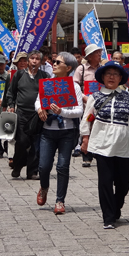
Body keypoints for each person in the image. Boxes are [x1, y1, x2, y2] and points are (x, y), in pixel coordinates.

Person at [80, 61, 129, 229]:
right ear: (102, 77)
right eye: (108, 73)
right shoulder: (94, 97)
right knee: (105, 182)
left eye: (115, 74)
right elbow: (86, 119)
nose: (111, 77)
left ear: (121, 78)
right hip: (102, 143)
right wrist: (85, 139)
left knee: (123, 183)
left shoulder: (128, 96)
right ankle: (108, 217)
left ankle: (116, 207)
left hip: (123, 145)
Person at [35, 52, 83, 214]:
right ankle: (44, 187)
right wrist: (40, 108)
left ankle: (60, 200)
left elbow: (78, 111)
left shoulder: (74, 86)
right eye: (54, 62)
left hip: (67, 133)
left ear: (68, 68)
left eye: (58, 62)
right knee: (44, 166)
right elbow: (38, 100)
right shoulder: (48, 83)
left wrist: (62, 112)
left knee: (63, 167)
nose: (54, 64)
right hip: (47, 132)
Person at [6, 50, 49, 179]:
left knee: (36, 143)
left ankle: (32, 171)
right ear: (28, 61)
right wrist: (11, 106)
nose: (34, 61)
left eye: (37, 59)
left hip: (38, 114)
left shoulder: (44, 76)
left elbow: (48, 95)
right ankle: (18, 165)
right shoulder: (18, 75)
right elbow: (10, 93)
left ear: (41, 62)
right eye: (32, 59)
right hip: (22, 113)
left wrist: (45, 109)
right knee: (22, 141)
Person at [73, 44, 103, 167]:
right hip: (87, 103)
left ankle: (97, 152)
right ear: (89, 56)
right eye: (97, 53)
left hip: (101, 103)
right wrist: (84, 98)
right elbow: (75, 87)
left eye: (100, 53)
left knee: (99, 127)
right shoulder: (82, 69)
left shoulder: (103, 68)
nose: (99, 55)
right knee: (87, 126)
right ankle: (87, 154)